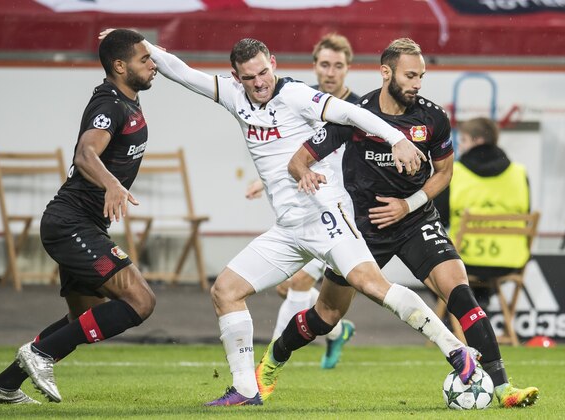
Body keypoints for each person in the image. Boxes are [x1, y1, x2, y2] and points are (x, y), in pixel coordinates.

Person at [119, 30, 479, 407]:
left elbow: (351, 112)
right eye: (249, 77)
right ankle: (245, 390)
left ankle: (457, 352)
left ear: (272, 64)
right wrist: (134, 42)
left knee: (372, 286)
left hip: (327, 214)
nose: (259, 83)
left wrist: (396, 138)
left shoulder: (295, 95)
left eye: (263, 72)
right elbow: (182, 72)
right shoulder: (232, 94)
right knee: (225, 291)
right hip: (289, 228)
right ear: (236, 76)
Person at [277, 38, 538, 408]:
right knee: (326, 314)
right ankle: (273, 359)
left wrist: (408, 204)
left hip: (416, 219)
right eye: (410, 75)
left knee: (460, 291)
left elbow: (445, 172)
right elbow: (299, 159)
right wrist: (306, 176)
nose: (417, 83)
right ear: (386, 73)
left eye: (422, 76)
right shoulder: (354, 113)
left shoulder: (432, 117)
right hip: (363, 229)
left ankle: (503, 388)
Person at [0, 29, 157, 404]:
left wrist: (121, 37)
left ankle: (4, 384)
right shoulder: (110, 106)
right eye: (145, 59)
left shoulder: (126, 97)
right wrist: (112, 184)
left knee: (86, 316)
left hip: (83, 224)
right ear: (120, 66)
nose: (153, 64)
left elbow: (147, 59)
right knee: (140, 302)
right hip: (70, 223)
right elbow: (84, 154)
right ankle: (39, 354)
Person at [245, 33, 360, 370]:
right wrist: (262, 180)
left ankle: (268, 365)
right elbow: (289, 150)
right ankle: (337, 331)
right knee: (290, 288)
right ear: (314, 66)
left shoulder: (355, 109)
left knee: (298, 283)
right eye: (324, 64)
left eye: (338, 66)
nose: (330, 72)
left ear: (347, 69)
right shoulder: (302, 101)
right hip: (307, 204)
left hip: (342, 211)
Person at [434, 117, 531, 309]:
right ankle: (479, 302)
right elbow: (526, 215)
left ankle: (456, 318)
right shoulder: (519, 173)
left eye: (463, 140)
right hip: (509, 260)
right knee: (480, 275)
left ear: (477, 141)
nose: (459, 146)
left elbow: (439, 218)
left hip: (466, 259)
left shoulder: (455, 172)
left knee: (427, 262)